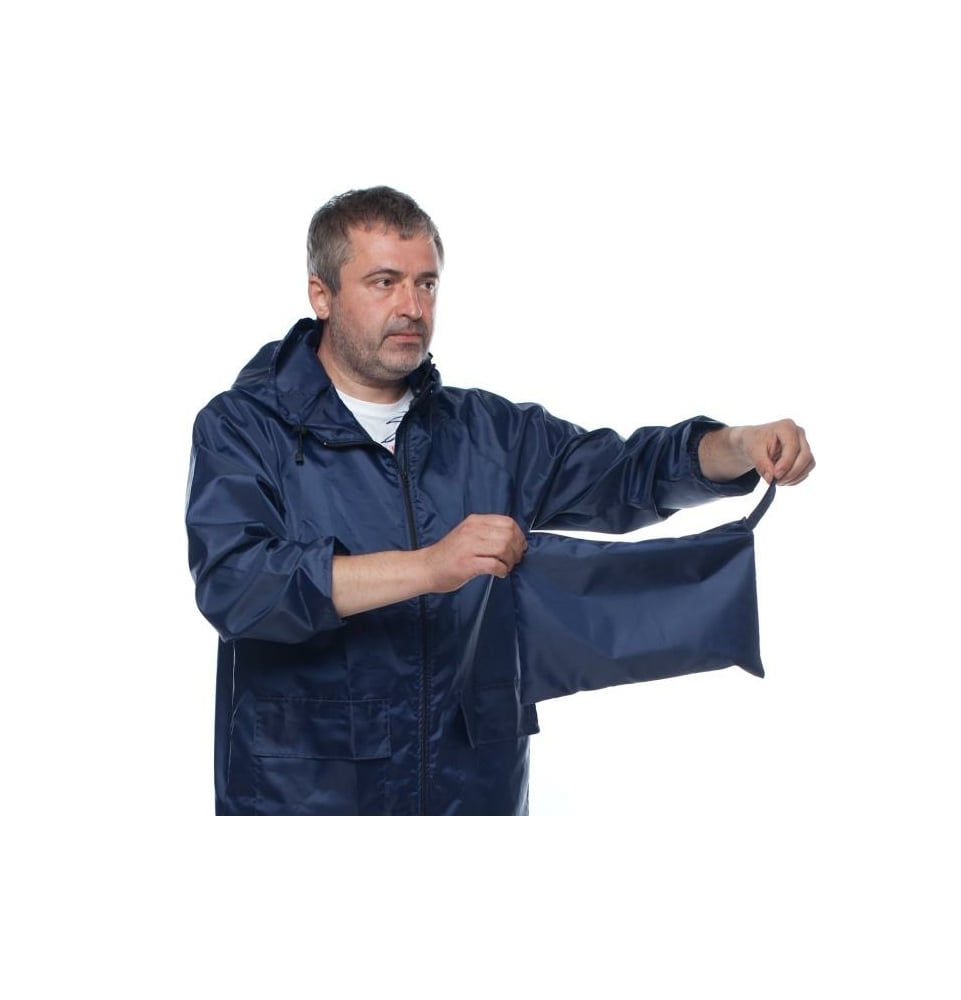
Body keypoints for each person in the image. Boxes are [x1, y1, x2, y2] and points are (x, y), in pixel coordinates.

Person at [186, 186, 814, 815]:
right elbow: (236, 586)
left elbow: (624, 472)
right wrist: (430, 567)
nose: (412, 307)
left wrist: (738, 445)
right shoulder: (243, 427)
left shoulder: (488, 433)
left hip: (473, 792)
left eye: (426, 284)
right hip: (306, 797)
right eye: (384, 282)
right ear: (321, 295)